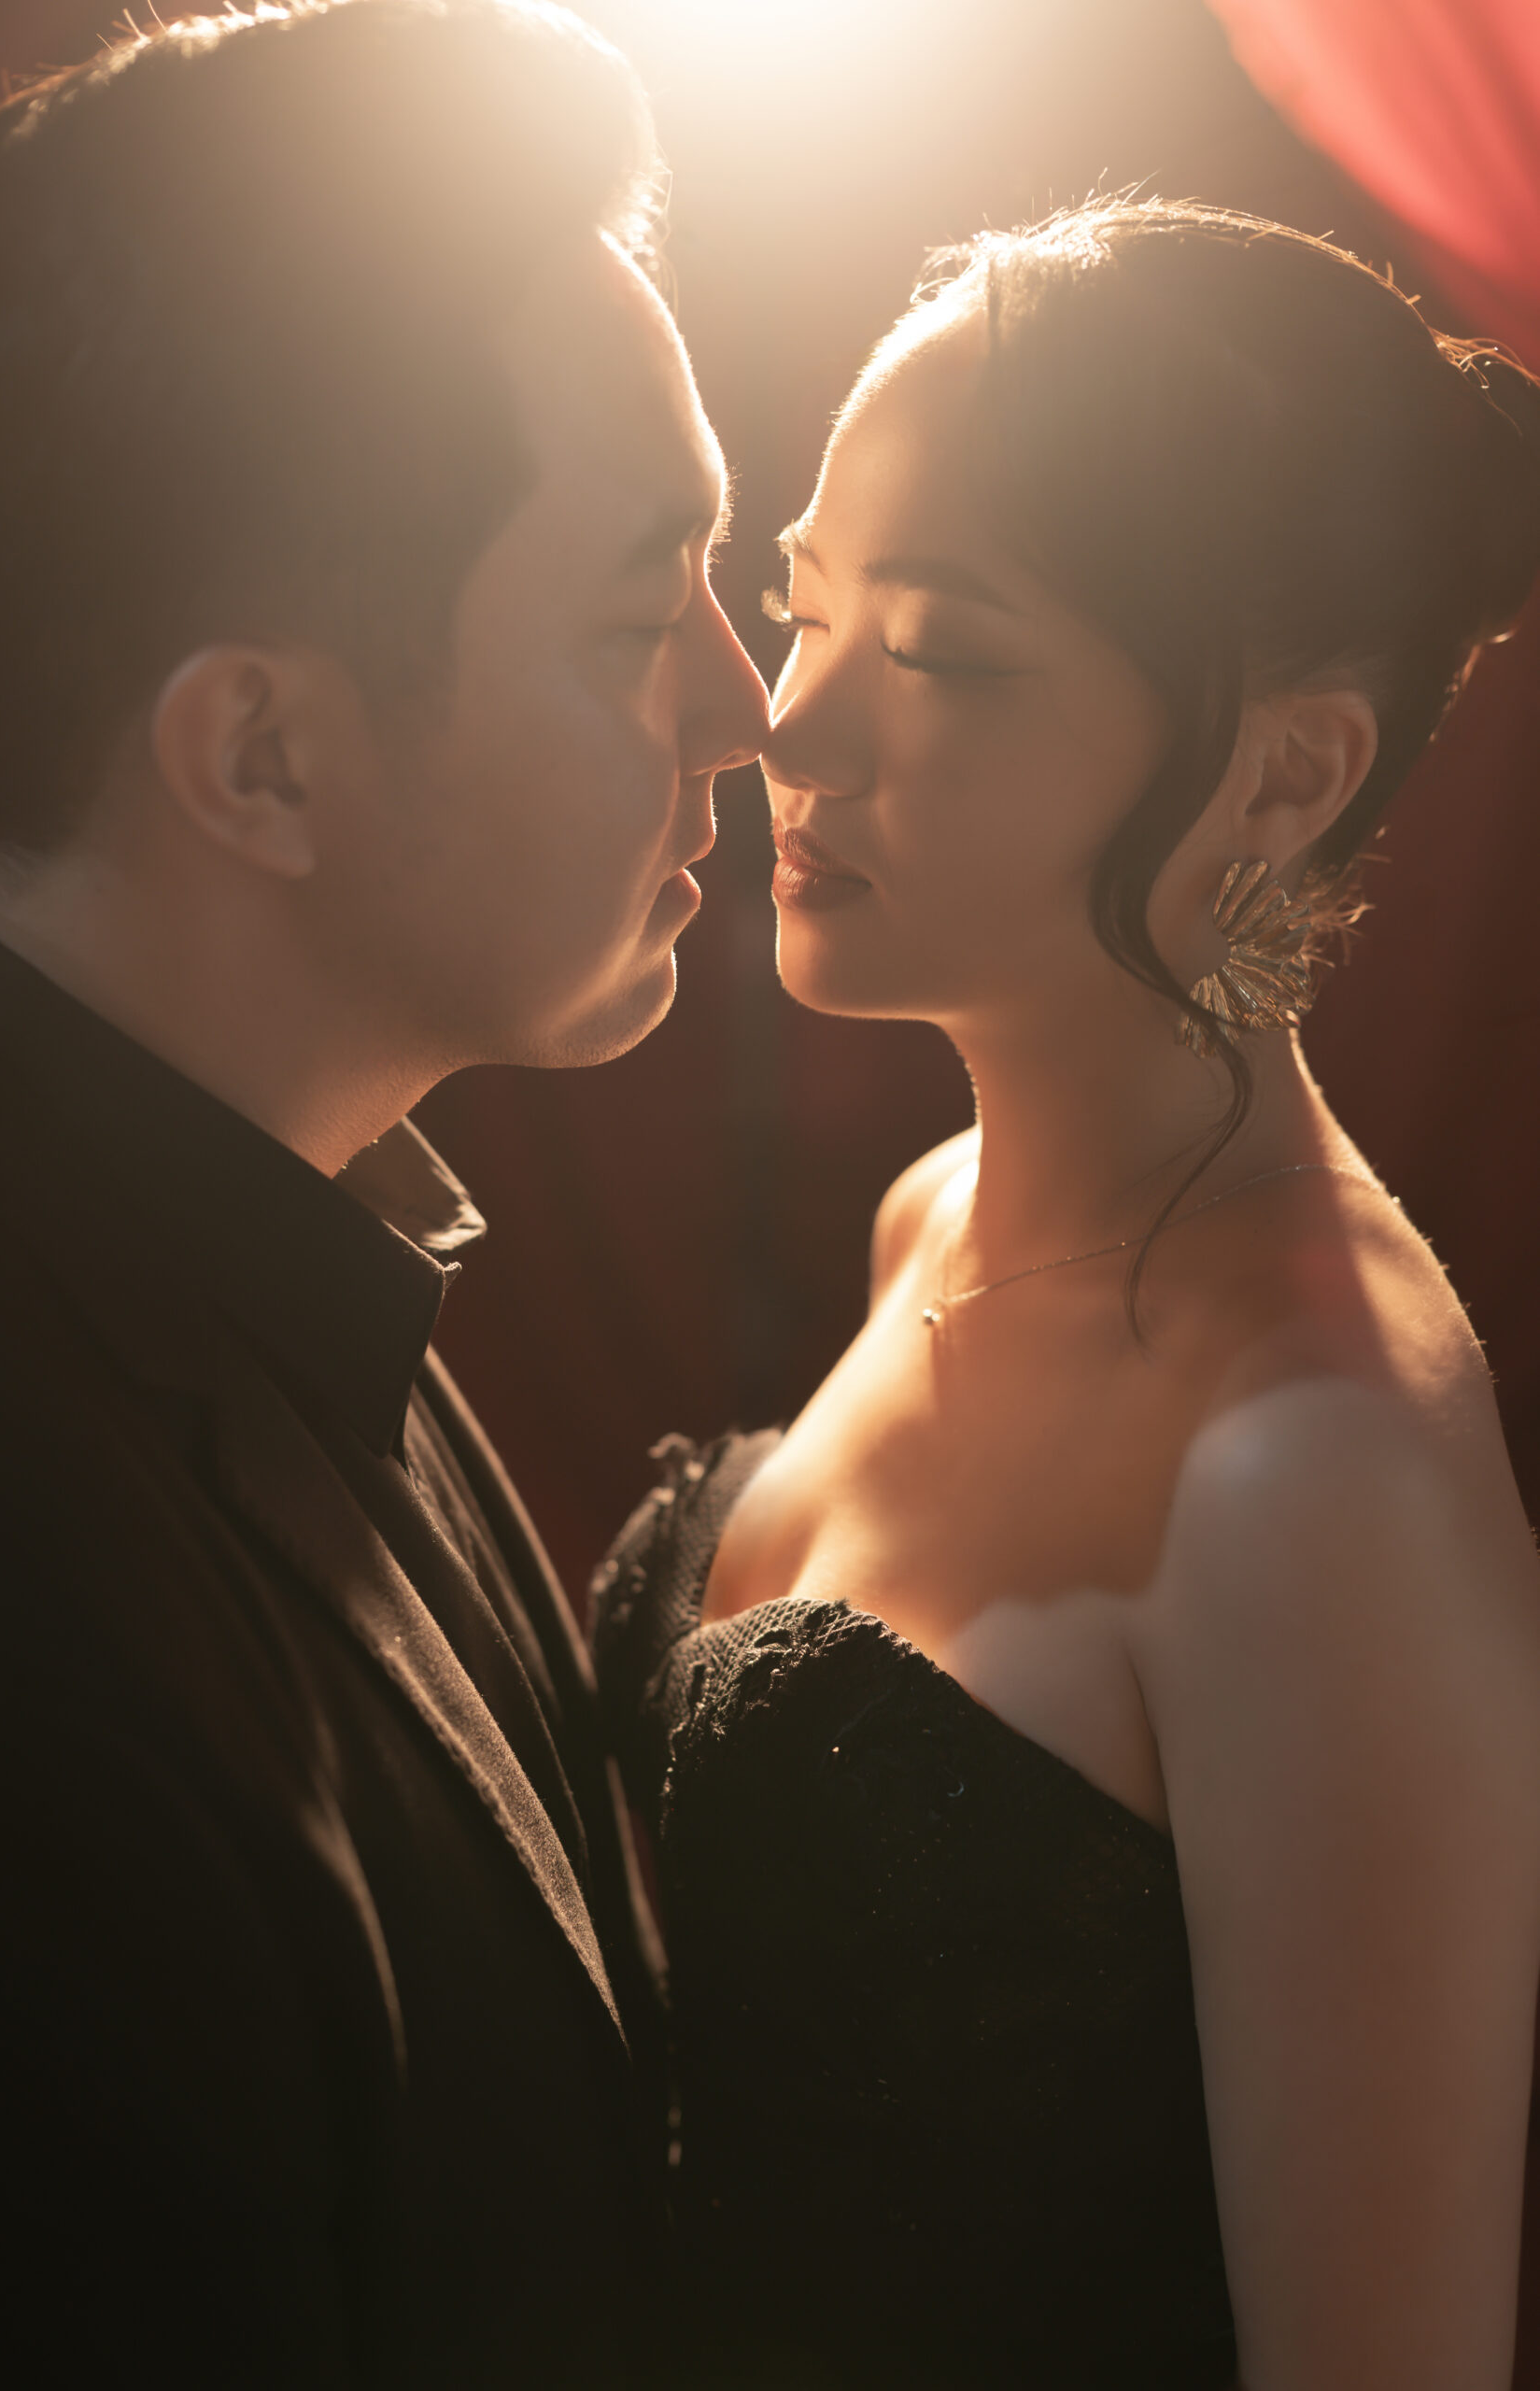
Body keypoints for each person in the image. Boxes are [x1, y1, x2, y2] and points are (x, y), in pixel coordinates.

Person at [594, 199, 1540, 2391]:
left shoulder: (1314, 1471)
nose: (788, 726)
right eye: (802, 605)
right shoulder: (934, 1212)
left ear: (1284, 769)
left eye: (937, 652)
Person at [0, 3, 767, 2383]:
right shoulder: (8, 1609)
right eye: (637, 614)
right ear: (263, 754)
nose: (745, 710)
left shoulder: (297, 1208)